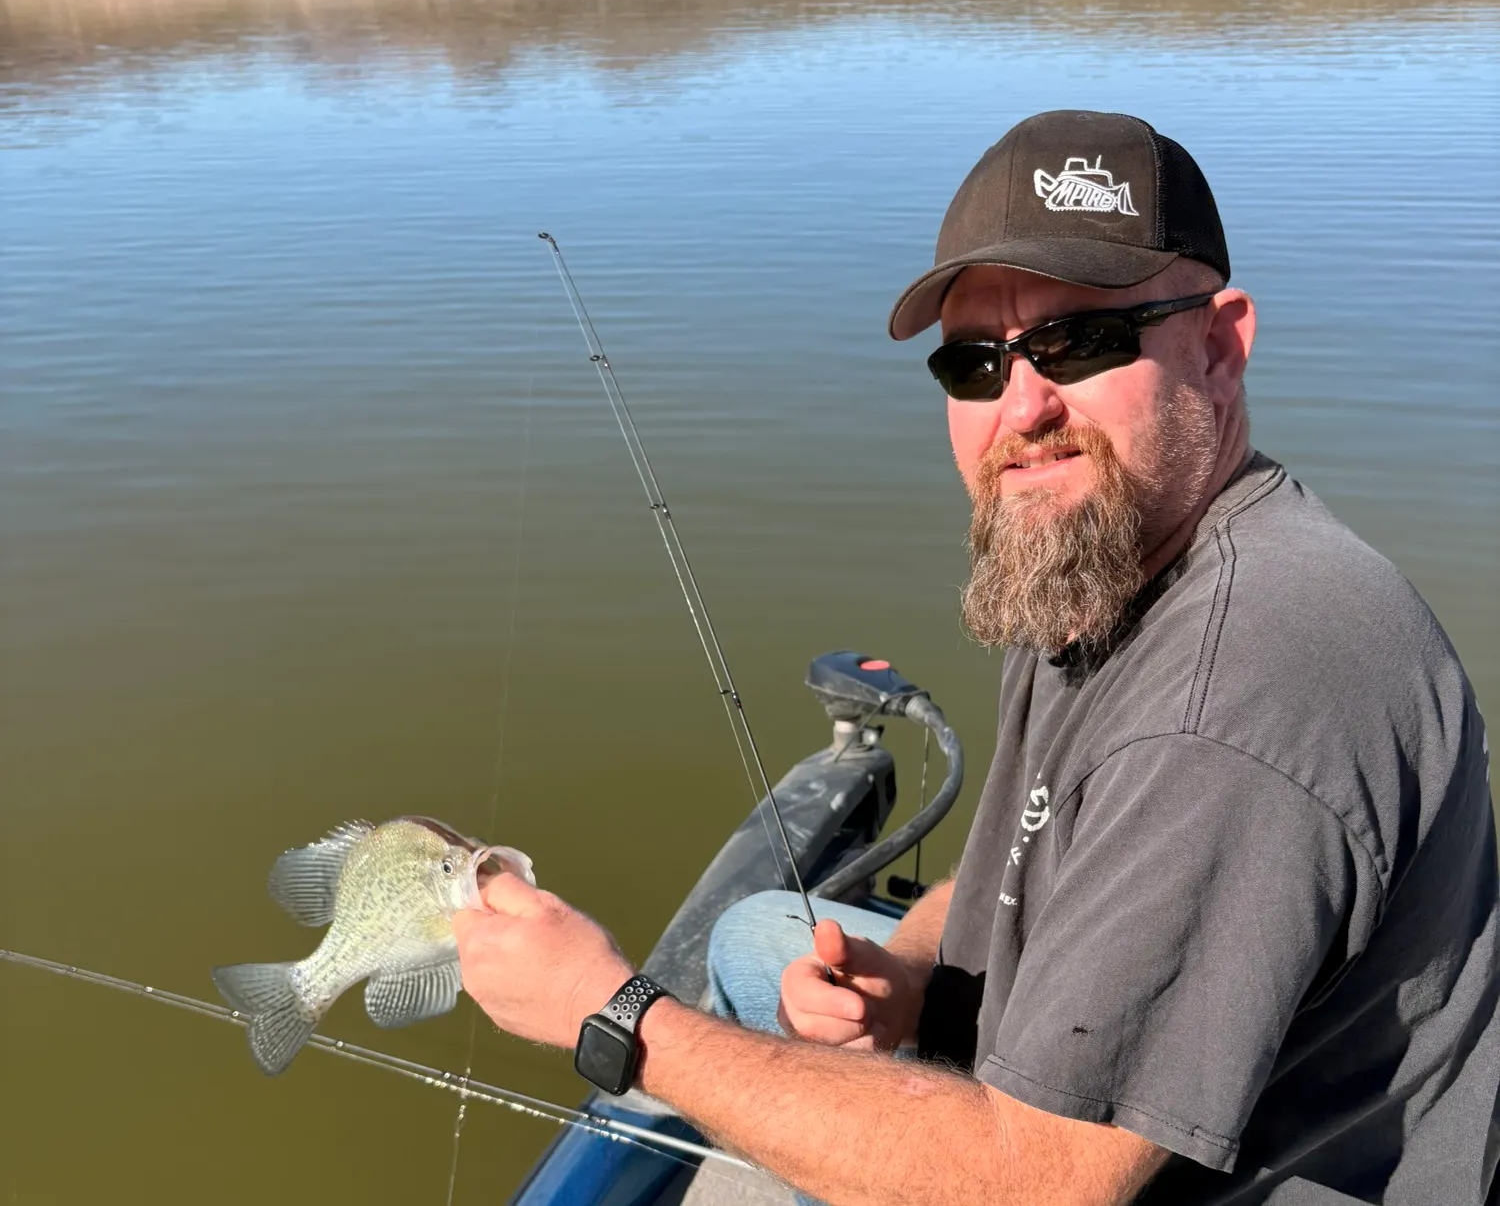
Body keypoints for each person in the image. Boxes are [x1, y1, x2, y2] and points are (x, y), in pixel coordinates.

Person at [456, 110, 1500, 1205]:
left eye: (1082, 341)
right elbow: (1048, 855)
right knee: (765, 934)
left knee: (733, 1179)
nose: (1024, 408)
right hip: (1075, 1096)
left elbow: (1033, 1184)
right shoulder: (1103, 556)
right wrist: (904, 971)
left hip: (1099, 1170)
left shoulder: (1235, 699)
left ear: (1218, 346)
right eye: (975, 361)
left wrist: (618, 1017)